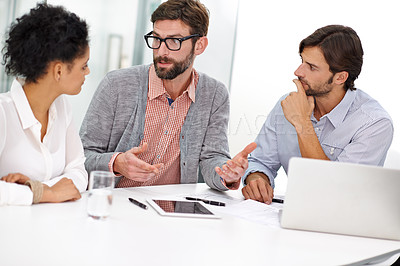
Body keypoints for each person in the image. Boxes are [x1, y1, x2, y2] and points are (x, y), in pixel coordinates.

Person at [80, 0, 255, 191]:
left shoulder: (214, 94)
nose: (161, 51)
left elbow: (212, 158)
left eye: (174, 41)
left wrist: (226, 174)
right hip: (114, 208)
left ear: (200, 45)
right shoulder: (117, 85)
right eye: (157, 39)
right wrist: (116, 163)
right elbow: (80, 157)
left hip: (175, 214)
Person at [242, 25, 393, 204]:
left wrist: (302, 123)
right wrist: (256, 179)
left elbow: (333, 191)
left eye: (312, 67)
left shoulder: (374, 123)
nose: (298, 72)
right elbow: (260, 161)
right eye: (302, 61)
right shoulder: (289, 104)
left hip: (342, 223)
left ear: (340, 78)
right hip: (294, 215)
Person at [0, 3, 90, 204]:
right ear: (58, 71)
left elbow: (78, 172)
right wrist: (44, 193)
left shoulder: (62, 107)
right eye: (83, 66)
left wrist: (38, 188)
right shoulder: (3, 113)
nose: (87, 72)